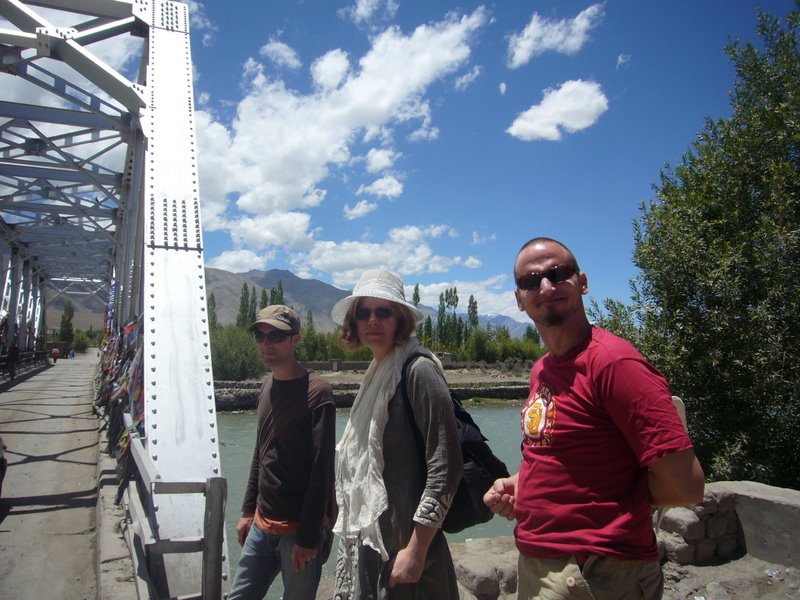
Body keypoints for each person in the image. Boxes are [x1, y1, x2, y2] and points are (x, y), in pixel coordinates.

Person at [484, 237, 705, 600]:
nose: (545, 286)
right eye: (530, 280)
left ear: (582, 282)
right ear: (519, 299)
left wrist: (612, 503)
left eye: (558, 273)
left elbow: (685, 486)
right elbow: (560, 455)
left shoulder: (615, 364)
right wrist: (520, 483)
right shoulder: (542, 370)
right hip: (539, 562)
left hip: (596, 572)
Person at [331, 269, 463, 600]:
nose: (373, 320)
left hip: (412, 558)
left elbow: (446, 466)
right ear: (354, 322)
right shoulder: (378, 374)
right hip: (375, 547)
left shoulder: (418, 371)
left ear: (400, 319)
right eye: (364, 312)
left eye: (383, 311)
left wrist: (416, 550)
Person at [228, 305, 337, 600]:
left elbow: (321, 473)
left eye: (276, 335)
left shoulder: (318, 393)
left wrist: (308, 538)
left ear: (295, 340)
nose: (267, 343)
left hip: (297, 534)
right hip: (262, 527)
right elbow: (260, 454)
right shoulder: (266, 387)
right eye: (260, 335)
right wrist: (248, 510)